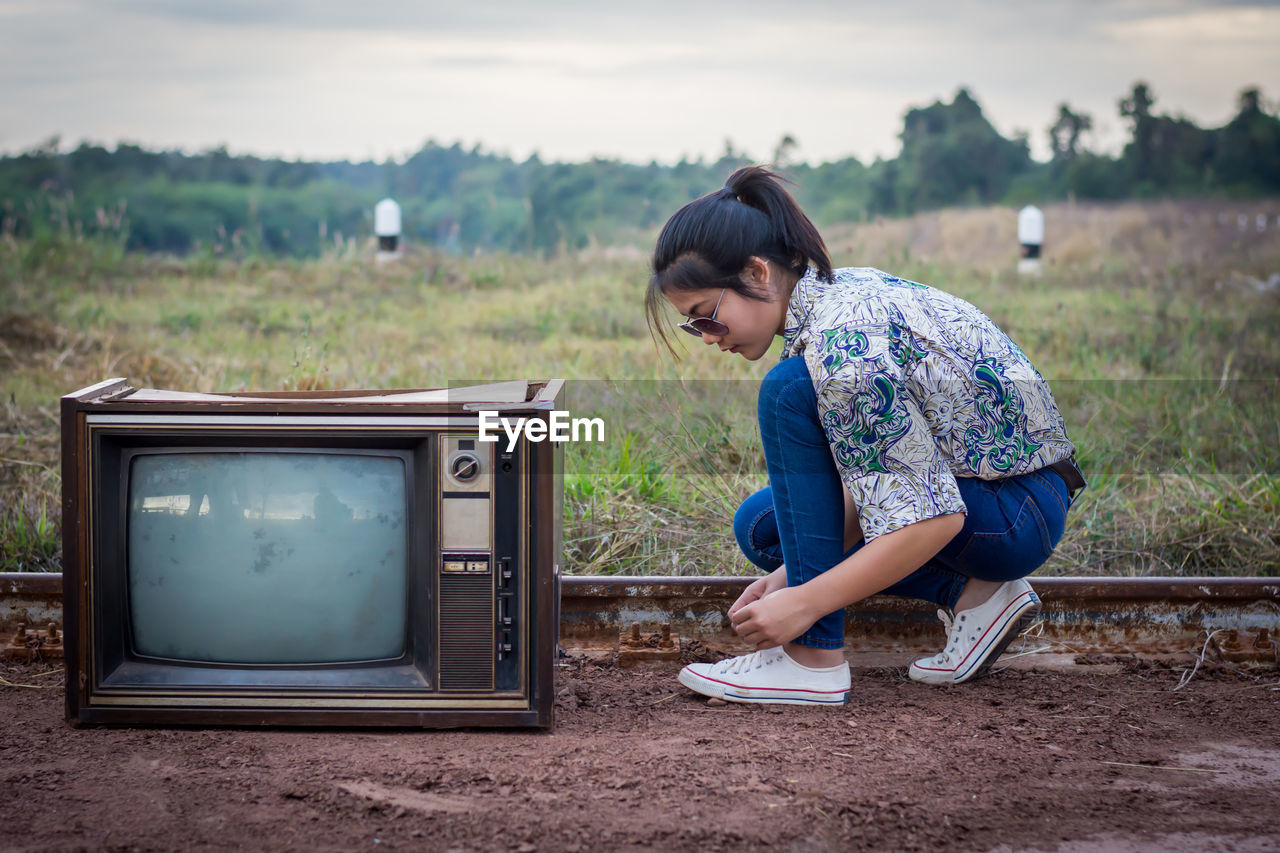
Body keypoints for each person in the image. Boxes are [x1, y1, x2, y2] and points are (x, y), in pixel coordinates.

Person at [644, 166, 1085, 705]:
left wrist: (804, 604)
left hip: (1014, 512)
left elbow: (932, 516)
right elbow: (876, 474)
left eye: (705, 316)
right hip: (1001, 500)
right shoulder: (832, 298)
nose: (707, 338)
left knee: (786, 391)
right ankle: (975, 596)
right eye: (694, 327)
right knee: (764, 530)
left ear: (758, 273)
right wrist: (790, 579)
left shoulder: (841, 342)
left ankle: (812, 661)